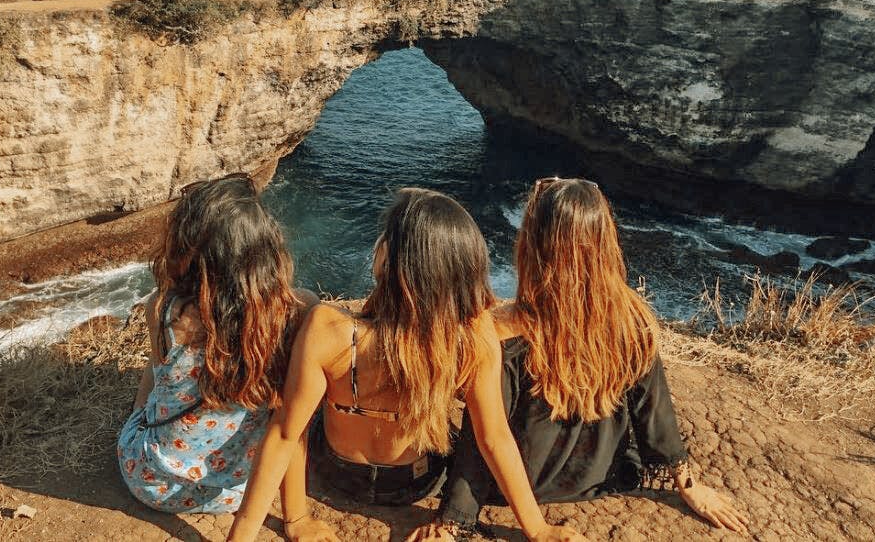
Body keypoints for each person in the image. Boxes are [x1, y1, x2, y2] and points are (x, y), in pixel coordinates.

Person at [227, 188, 588, 542]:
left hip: (337, 475)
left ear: (392, 259)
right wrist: (538, 529)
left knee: (296, 410)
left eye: (386, 236)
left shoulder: (326, 327)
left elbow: (287, 434)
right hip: (415, 483)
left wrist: (294, 521)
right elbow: (494, 439)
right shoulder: (473, 336)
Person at [418, 177, 749, 537]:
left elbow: (485, 437)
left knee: (478, 409)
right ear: (604, 243)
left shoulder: (499, 331)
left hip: (521, 482)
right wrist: (688, 485)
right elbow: (654, 412)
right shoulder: (631, 319)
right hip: (602, 474)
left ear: (533, 244)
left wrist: (453, 520)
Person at [117, 173, 333, 541]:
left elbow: (157, 379)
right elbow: (289, 425)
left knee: (157, 382)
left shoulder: (164, 309)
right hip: (237, 488)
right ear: (265, 250)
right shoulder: (299, 313)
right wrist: (296, 518)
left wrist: (139, 418)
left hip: (150, 482)